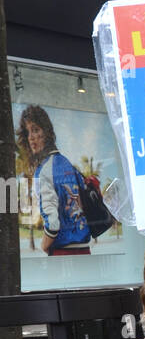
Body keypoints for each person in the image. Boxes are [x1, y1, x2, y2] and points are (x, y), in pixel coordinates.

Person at [16, 105, 91, 255]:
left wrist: (44, 245)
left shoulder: (43, 170)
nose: (31, 137)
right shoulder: (68, 164)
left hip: (61, 253)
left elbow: (53, 223)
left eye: (35, 130)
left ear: (47, 132)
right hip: (84, 249)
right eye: (28, 132)